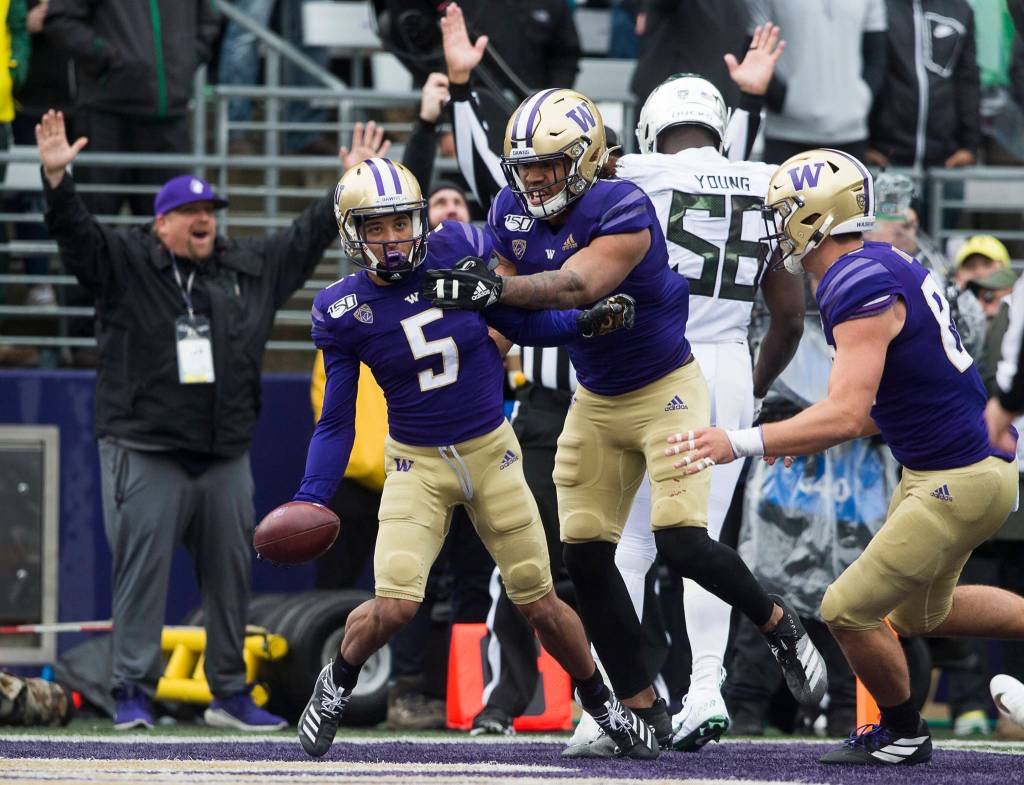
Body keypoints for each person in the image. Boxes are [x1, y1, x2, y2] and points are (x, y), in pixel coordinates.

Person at [423, 78, 828, 756]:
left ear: (601, 153)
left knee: (678, 539)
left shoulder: (630, 192)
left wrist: (494, 290)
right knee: (592, 553)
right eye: (527, 169)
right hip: (667, 370)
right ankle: (644, 703)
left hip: (672, 373)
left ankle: (770, 633)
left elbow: (573, 283)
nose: (536, 181)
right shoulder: (756, 180)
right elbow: (785, 315)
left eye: (552, 165)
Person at [290, 157, 656, 760]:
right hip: (417, 464)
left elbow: (515, 320)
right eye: (374, 227)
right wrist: (311, 495)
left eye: (400, 223)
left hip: (492, 450)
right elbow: (336, 419)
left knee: (539, 599)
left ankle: (603, 704)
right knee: (395, 604)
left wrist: (578, 323)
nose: (391, 239)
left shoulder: (455, 246)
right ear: (351, 234)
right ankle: (337, 680)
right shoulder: (339, 308)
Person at [674, 147, 1024, 766]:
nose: (775, 226)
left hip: (956, 478)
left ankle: (903, 733)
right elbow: (863, 410)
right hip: (948, 470)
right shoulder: (881, 262)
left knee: (845, 608)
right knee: (921, 612)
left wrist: (745, 440)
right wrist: (791, 435)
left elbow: (844, 413)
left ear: (815, 216)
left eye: (783, 212)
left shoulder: (853, 279)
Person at [37, 107, 345, 732]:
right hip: (145, 447)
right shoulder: (124, 264)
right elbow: (77, 238)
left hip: (224, 454)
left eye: (210, 211)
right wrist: (57, 183)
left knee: (233, 577)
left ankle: (229, 693)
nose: (205, 219)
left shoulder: (243, 272)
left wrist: (345, 189)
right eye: (190, 213)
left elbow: (304, 238)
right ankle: (131, 693)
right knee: (140, 576)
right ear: (162, 224)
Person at [572, 37, 807, 753]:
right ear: (721, 128)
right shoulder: (764, 181)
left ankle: (612, 702)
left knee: (631, 542)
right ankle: (706, 685)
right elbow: (791, 314)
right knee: (702, 540)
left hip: (650, 363)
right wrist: (752, 390)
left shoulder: (628, 173)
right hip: (729, 363)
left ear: (649, 130)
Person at [745, 0, 887, 162]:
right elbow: (754, 49)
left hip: (851, 135)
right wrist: (784, 102)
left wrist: (861, 100)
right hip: (785, 136)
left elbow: (876, 57)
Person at [867, 0, 980, 171]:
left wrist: (970, 145)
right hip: (885, 157)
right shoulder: (876, 7)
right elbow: (865, 72)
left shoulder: (960, 9)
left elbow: (967, 81)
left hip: (947, 160)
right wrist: (864, 145)